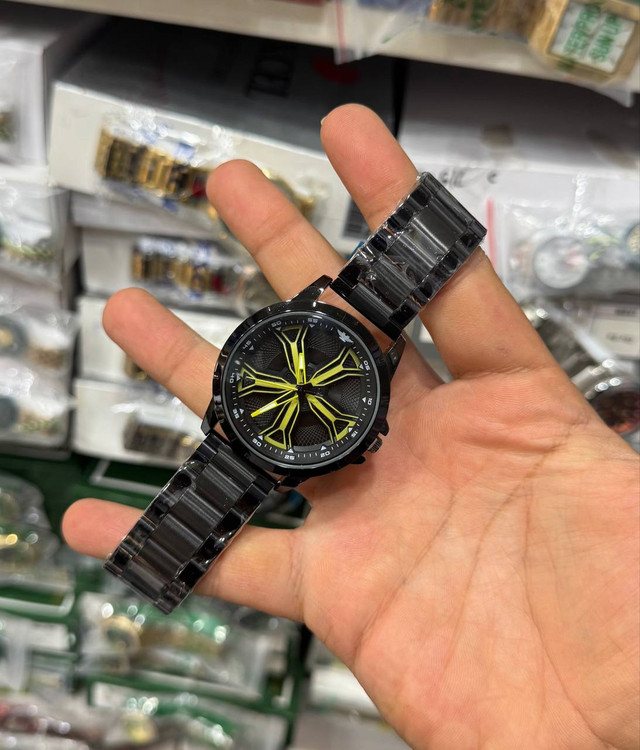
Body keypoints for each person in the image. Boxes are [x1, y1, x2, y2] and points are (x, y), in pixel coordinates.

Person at [63, 105, 639, 750]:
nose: (303, 391)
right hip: (265, 424)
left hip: (271, 424)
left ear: (369, 439)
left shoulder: (339, 407)